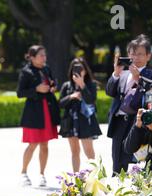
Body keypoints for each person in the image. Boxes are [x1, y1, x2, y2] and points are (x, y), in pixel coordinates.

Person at [106, 34, 152, 174]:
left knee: (137, 162)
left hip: (138, 123)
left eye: (140, 54)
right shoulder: (123, 74)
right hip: (119, 122)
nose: (135, 57)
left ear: (148, 56)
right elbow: (110, 92)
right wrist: (116, 74)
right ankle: (116, 189)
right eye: (132, 54)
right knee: (117, 162)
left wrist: (139, 79)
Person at [17, 45, 59, 187]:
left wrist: (53, 86)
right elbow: (20, 92)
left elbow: (53, 81)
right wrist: (36, 89)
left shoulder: (46, 69)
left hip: (47, 109)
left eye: (44, 55)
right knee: (33, 143)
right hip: (33, 112)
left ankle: (42, 175)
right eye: (41, 55)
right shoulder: (26, 71)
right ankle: (23, 172)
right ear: (32, 57)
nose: (44, 58)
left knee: (45, 144)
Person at [59, 58, 102, 173]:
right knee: (74, 151)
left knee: (89, 151)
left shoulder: (90, 84)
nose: (77, 71)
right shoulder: (67, 86)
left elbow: (91, 100)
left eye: (80, 69)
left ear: (85, 71)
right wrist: (71, 96)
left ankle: (95, 177)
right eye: (75, 69)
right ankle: (75, 177)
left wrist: (82, 85)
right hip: (71, 122)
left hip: (85, 121)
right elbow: (60, 104)